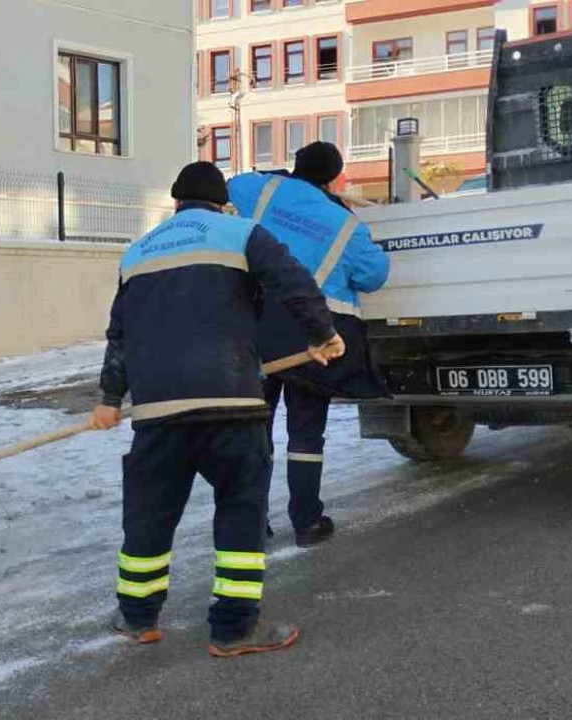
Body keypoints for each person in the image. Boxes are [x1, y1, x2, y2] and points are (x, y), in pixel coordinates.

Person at [90, 161, 344, 658]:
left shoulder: (138, 251)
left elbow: (119, 334)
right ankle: (232, 629)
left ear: (176, 203)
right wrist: (323, 335)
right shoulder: (242, 233)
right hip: (231, 402)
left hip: (159, 411)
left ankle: (138, 617)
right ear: (221, 201)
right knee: (240, 512)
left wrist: (107, 399)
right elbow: (294, 282)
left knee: (149, 513)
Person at [228, 142, 392, 548]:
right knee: (306, 433)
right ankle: (306, 522)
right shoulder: (346, 223)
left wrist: (278, 179)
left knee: (255, 429)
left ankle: (251, 523)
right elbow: (373, 276)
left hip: (258, 330)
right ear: (335, 177)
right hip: (313, 338)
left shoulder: (259, 190)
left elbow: (230, 187)